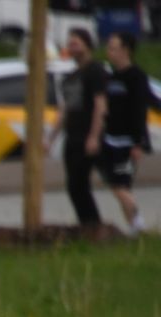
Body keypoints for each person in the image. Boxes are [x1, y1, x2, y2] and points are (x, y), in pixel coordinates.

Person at [59, 28, 113, 230]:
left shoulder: (95, 71)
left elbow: (100, 105)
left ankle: (94, 225)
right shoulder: (71, 77)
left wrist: (94, 136)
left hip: (87, 135)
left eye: (75, 42)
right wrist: (50, 136)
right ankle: (88, 225)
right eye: (70, 43)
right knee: (74, 186)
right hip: (72, 136)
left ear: (87, 44)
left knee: (82, 183)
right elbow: (65, 109)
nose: (71, 47)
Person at [100, 33, 153, 234]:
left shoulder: (136, 76)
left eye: (114, 47)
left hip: (127, 141)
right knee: (119, 186)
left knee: (119, 185)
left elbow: (140, 110)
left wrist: (138, 142)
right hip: (110, 138)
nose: (109, 52)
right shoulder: (112, 77)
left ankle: (138, 223)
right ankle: (133, 228)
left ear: (126, 50)